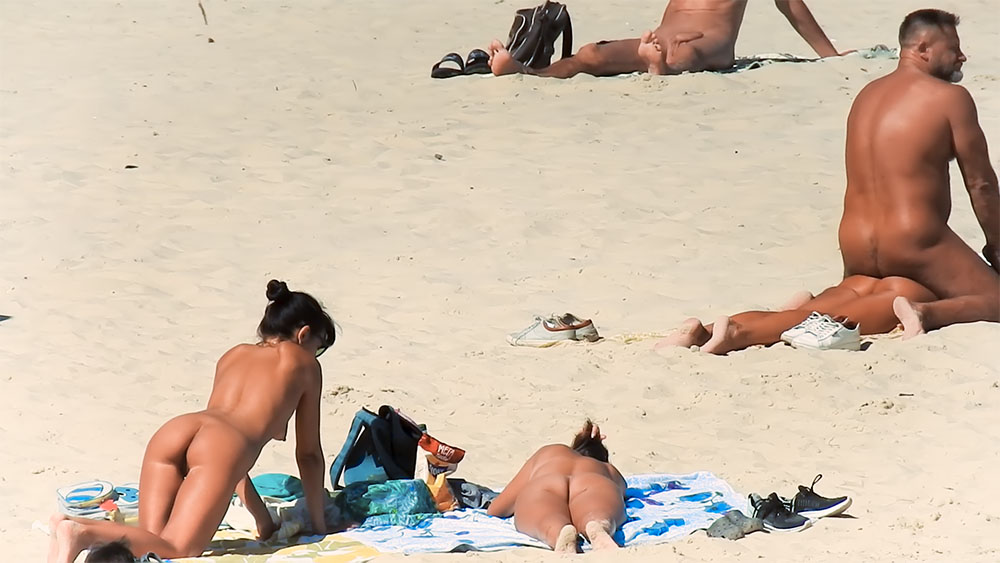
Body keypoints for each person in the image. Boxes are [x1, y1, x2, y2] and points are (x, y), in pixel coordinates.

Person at [659, 9, 999, 354]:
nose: (961, 56)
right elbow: (981, 184)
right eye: (953, 47)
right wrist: (996, 247)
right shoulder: (950, 98)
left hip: (856, 238)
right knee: (994, 298)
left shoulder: (868, 95)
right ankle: (927, 315)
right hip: (914, 237)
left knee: (887, 295)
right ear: (923, 48)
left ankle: (709, 330)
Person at [47, 280, 337, 563]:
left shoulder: (233, 355)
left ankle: (64, 526)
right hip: (220, 445)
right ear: (304, 334)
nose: (317, 353)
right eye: (320, 346)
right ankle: (80, 531)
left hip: (178, 430)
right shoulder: (305, 364)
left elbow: (225, 450)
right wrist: (319, 527)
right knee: (180, 548)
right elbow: (308, 455)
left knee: (153, 541)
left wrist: (263, 520)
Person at [489, 0, 849, 78]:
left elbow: (791, 8)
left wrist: (830, 56)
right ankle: (525, 73)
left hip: (709, 40)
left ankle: (659, 66)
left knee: (682, 54)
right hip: (660, 37)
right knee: (590, 53)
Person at [487, 421, 626, 552]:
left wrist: (585, 439)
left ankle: (558, 532)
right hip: (594, 482)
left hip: (547, 482)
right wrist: (597, 447)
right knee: (598, 512)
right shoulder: (608, 469)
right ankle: (598, 524)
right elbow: (622, 491)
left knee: (547, 519)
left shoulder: (549, 451)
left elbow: (497, 509)